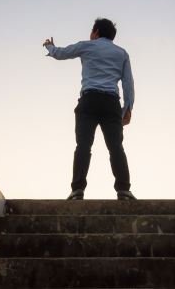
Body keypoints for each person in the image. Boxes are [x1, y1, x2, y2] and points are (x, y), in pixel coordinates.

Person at [43, 18, 137, 201]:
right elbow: (128, 83)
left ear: (96, 32)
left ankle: (77, 189)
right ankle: (123, 190)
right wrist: (127, 108)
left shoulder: (86, 46)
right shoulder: (122, 53)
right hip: (111, 103)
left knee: (83, 145)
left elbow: (61, 53)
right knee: (116, 147)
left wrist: (50, 47)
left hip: (89, 100)